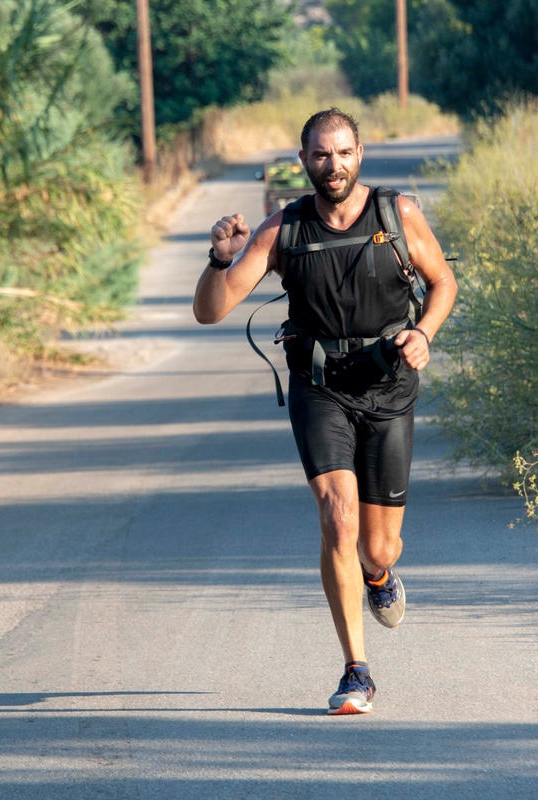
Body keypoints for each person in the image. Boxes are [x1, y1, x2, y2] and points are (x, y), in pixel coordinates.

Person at [193, 108, 457, 715]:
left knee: (380, 546)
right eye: (319, 154)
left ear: (359, 153)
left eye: (342, 153)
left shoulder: (398, 214)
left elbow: (442, 283)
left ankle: (378, 577)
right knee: (338, 517)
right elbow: (211, 311)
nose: (331, 165)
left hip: (389, 384)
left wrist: (425, 333)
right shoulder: (282, 229)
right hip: (320, 388)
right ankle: (356, 671)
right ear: (302, 159)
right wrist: (218, 258)